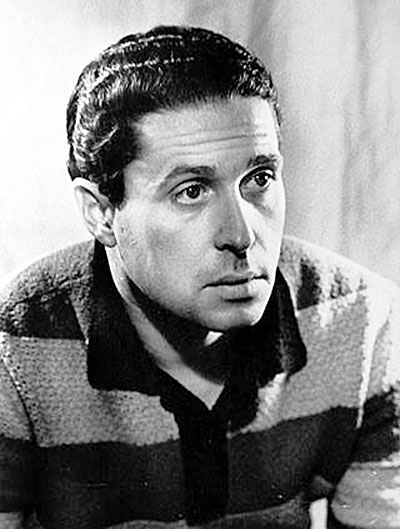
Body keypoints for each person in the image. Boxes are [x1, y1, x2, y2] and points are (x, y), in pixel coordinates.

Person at [0, 25, 399, 529]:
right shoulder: (13, 350)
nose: (242, 235)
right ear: (100, 212)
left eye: (259, 179)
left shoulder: (364, 323)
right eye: (191, 191)